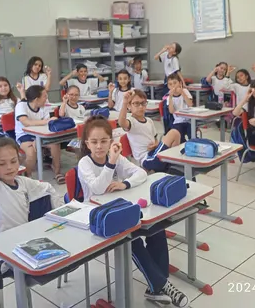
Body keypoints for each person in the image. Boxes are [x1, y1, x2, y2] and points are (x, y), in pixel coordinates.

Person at [76, 117, 189, 307]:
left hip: (117, 206)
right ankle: (161, 285)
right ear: (87, 143)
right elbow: (97, 189)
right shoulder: (85, 164)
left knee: (156, 228)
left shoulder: (116, 157)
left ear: (111, 141)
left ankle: (157, 287)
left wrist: (124, 183)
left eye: (104, 141)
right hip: (97, 216)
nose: (99, 146)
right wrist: (110, 164)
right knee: (132, 239)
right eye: (94, 142)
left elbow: (141, 173)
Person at [0, 93, 63, 235]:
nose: (9, 167)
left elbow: (47, 187)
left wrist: (61, 209)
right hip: (3, 244)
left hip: (24, 237)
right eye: (2, 164)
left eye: (13, 161)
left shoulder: (21, 182)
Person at [118, 89, 182, 172]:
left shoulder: (149, 121)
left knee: (176, 133)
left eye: (143, 103)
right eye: (136, 103)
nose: (141, 106)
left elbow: (154, 138)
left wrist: (155, 144)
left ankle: (173, 163)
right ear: (129, 106)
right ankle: (173, 164)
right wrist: (124, 102)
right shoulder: (131, 121)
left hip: (154, 153)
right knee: (173, 133)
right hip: (146, 159)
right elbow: (121, 123)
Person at [14, 84, 64, 184]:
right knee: (31, 152)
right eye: (44, 96)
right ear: (37, 99)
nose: (46, 98)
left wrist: (38, 138)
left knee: (55, 144)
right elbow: (26, 122)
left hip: (41, 134)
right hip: (24, 135)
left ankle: (57, 172)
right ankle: (27, 176)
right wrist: (46, 121)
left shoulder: (44, 107)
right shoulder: (21, 105)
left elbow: (47, 124)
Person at [166, 73, 194, 143]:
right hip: (178, 121)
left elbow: (190, 104)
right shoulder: (169, 97)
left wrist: (182, 93)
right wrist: (170, 97)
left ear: (180, 83)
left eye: (175, 83)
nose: (173, 86)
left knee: (192, 135)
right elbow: (171, 111)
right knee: (178, 135)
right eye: (170, 84)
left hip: (189, 120)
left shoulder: (185, 91)